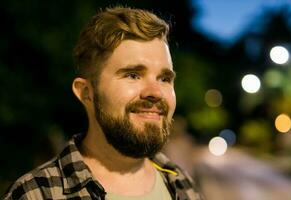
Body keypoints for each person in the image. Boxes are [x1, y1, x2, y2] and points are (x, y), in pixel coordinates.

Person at [3, 6, 203, 200]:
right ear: (86, 93)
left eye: (165, 79)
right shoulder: (36, 194)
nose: (156, 92)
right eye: (133, 75)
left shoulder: (182, 184)